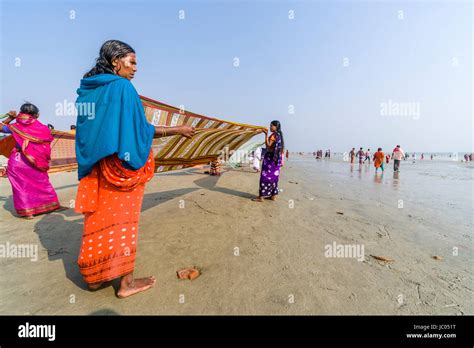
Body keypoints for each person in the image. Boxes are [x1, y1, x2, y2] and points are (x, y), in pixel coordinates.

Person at [74, 40, 195, 298]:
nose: (136, 68)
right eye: (132, 62)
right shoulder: (123, 88)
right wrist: (178, 129)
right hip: (121, 169)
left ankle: (94, 278)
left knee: (98, 221)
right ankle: (126, 284)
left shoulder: (88, 90)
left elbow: (87, 133)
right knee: (125, 223)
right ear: (116, 61)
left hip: (97, 169)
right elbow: (140, 130)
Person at [0, 104, 60, 219]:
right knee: (43, 183)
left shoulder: (14, 126)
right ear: (36, 115)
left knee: (21, 186)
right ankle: (51, 205)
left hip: (17, 160)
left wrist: (10, 118)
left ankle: (28, 212)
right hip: (34, 161)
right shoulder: (43, 128)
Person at [252, 120, 284, 202]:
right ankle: (273, 196)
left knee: (264, 177)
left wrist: (266, 135)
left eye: (271, 126)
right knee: (274, 177)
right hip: (276, 160)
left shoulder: (274, 135)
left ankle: (261, 197)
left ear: (276, 127)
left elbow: (268, 146)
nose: (270, 127)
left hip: (270, 159)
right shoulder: (280, 136)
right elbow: (281, 149)